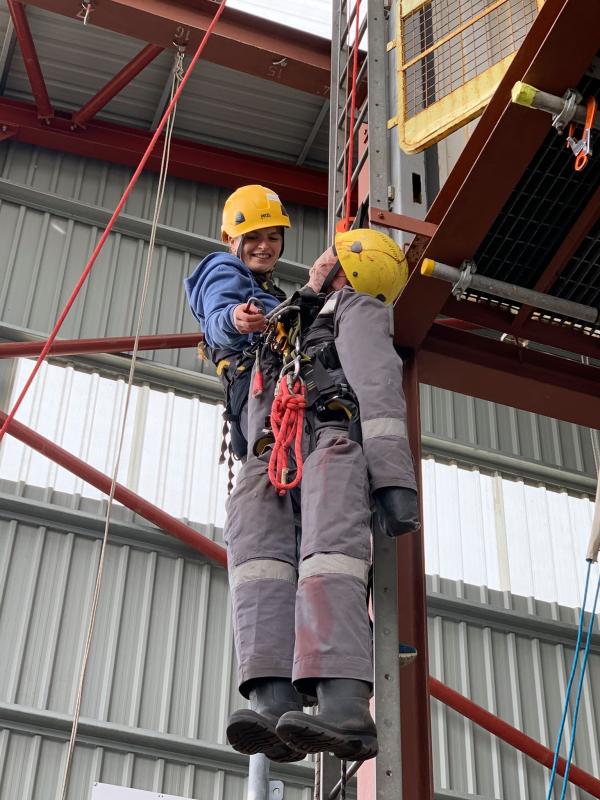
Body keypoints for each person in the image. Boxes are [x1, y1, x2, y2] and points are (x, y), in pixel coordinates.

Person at [223, 229, 420, 764]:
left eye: (329, 256)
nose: (316, 261)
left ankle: (344, 702)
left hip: (332, 444)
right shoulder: (284, 324)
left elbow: (378, 391)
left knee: (329, 559)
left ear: (347, 269)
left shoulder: (355, 310)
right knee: (257, 556)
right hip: (276, 455)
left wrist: (393, 482)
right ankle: (271, 695)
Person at [183, 184, 291, 459]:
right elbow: (217, 320)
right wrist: (235, 319)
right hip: (257, 394)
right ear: (230, 240)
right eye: (252, 237)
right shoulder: (223, 269)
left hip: (269, 394)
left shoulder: (271, 292)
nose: (264, 246)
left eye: (273, 237)